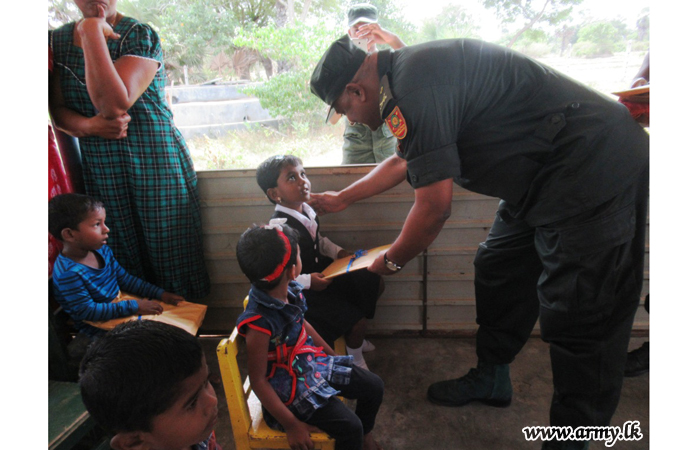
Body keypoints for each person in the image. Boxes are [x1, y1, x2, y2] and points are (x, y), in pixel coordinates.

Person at [309, 36, 649, 449]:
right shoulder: (402, 83)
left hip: (591, 168)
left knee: (583, 317)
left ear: (356, 89)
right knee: (498, 267)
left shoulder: (416, 87)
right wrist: (343, 198)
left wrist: (391, 262)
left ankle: (572, 440)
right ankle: (493, 376)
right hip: (537, 177)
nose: (353, 121)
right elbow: (404, 158)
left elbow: (434, 208)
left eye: (346, 111)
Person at [48, 0, 209, 299]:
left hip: (155, 160)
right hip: (101, 166)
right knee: (117, 252)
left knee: (171, 252)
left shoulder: (139, 34)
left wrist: (93, 31)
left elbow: (113, 103)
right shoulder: (56, 41)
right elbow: (56, 110)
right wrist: (89, 127)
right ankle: (133, 341)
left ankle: (184, 337)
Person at [235, 222, 384, 450]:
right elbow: (258, 381)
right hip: (289, 393)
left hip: (310, 363)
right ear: (292, 269)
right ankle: (358, 437)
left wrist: (332, 356)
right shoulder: (259, 324)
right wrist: (292, 424)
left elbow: (302, 324)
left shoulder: (290, 289)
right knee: (350, 428)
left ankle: (365, 437)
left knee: (374, 386)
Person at [256, 154, 384, 370]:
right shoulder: (279, 227)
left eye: (303, 174)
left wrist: (338, 252)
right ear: (274, 194)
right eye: (291, 178)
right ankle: (355, 358)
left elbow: (318, 240)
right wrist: (308, 282)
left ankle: (356, 340)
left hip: (323, 272)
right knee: (357, 320)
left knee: (371, 279)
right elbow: (279, 276)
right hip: (302, 289)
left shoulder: (308, 210)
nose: (303, 181)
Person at [49, 193, 185, 340]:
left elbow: (125, 280)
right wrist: (135, 306)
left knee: (180, 323)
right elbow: (87, 312)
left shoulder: (102, 251)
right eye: (97, 224)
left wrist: (160, 294)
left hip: (119, 307)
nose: (106, 229)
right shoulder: (68, 273)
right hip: (98, 327)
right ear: (69, 234)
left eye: (104, 222)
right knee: (157, 339)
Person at [79, 320, 221, 450]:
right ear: (135, 442)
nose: (212, 400)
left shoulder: (197, 435)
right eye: (192, 403)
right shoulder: (195, 431)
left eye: (206, 382)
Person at [339, 3, 405, 165]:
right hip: (355, 143)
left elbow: (415, 64)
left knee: (394, 188)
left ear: (377, 28)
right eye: (357, 30)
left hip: (388, 138)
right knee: (352, 184)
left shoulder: (389, 59)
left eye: (368, 29)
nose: (363, 35)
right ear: (349, 33)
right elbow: (333, 117)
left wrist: (392, 39)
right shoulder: (341, 64)